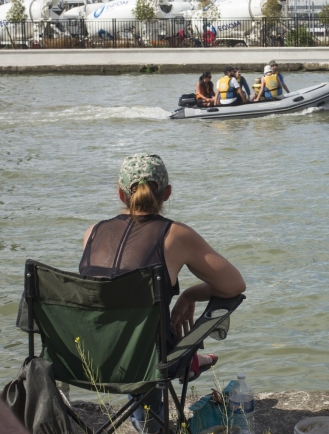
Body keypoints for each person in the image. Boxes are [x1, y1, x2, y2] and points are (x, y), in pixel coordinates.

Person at [79, 154, 246, 434]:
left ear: (121, 194)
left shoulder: (92, 233)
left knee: (133, 327)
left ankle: (159, 405)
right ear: (167, 193)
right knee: (149, 344)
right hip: (149, 361)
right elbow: (234, 285)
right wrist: (190, 294)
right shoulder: (174, 235)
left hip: (89, 358)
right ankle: (185, 363)